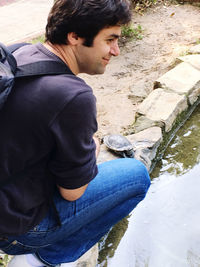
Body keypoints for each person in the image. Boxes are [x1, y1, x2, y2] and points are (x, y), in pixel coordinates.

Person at [0, 0, 151, 266]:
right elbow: (73, 192)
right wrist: (91, 152)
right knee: (135, 176)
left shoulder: (19, 53)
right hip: (12, 229)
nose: (116, 51)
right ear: (75, 36)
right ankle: (46, 259)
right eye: (110, 40)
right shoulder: (73, 96)